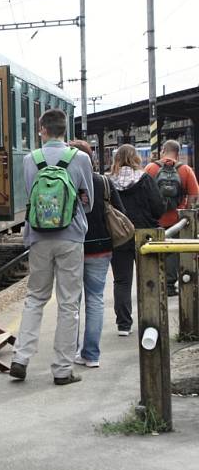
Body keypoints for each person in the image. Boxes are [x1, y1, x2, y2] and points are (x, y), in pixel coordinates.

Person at [9, 109, 93, 386]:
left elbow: (30, 194)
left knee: (35, 297)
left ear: (42, 129)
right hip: (71, 237)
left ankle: (20, 358)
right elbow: (88, 203)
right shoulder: (80, 158)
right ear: (65, 130)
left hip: (38, 236)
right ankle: (61, 369)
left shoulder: (31, 159)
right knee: (69, 303)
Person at [69, 139, 125, 368]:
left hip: (72, 246)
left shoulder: (66, 180)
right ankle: (91, 355)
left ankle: (69, 351)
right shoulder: (103, 181)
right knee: (95, 300)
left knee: (71, 303)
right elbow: (121, 212)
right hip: (101, 249)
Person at [107, 144, 164, 335]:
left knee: (122, 281)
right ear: (136, 158)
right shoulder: (146, 179)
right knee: (147, 278)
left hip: (119, 236)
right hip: (145, 235)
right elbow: (158, 208)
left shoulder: (108, 181)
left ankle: (124, 325)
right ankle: (150, 321)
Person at [144, 139, 199, 296]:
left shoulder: (151, 168)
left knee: (153, 251)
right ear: (178, 153)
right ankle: (169, 285)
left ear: (163, 150)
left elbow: (143, 193)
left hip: (155, 220)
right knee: (173, 253)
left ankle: (153, 284)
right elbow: (194, 195)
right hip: (177, 221)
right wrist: (186, 211)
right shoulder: (186, 170)